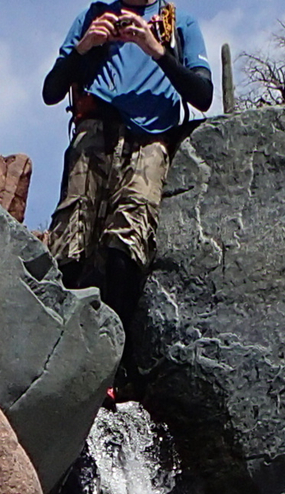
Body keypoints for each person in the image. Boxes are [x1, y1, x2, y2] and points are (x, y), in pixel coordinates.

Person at [41, 1, 214, 342]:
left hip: (150, 139)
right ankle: (57, 348)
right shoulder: (93, 16)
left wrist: (155, 49)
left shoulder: (179, 23)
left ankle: (112, 359)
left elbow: (203, 94)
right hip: (93, 134)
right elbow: (51, 91)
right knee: (70, 246)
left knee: (126, 243)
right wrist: (85, 46)